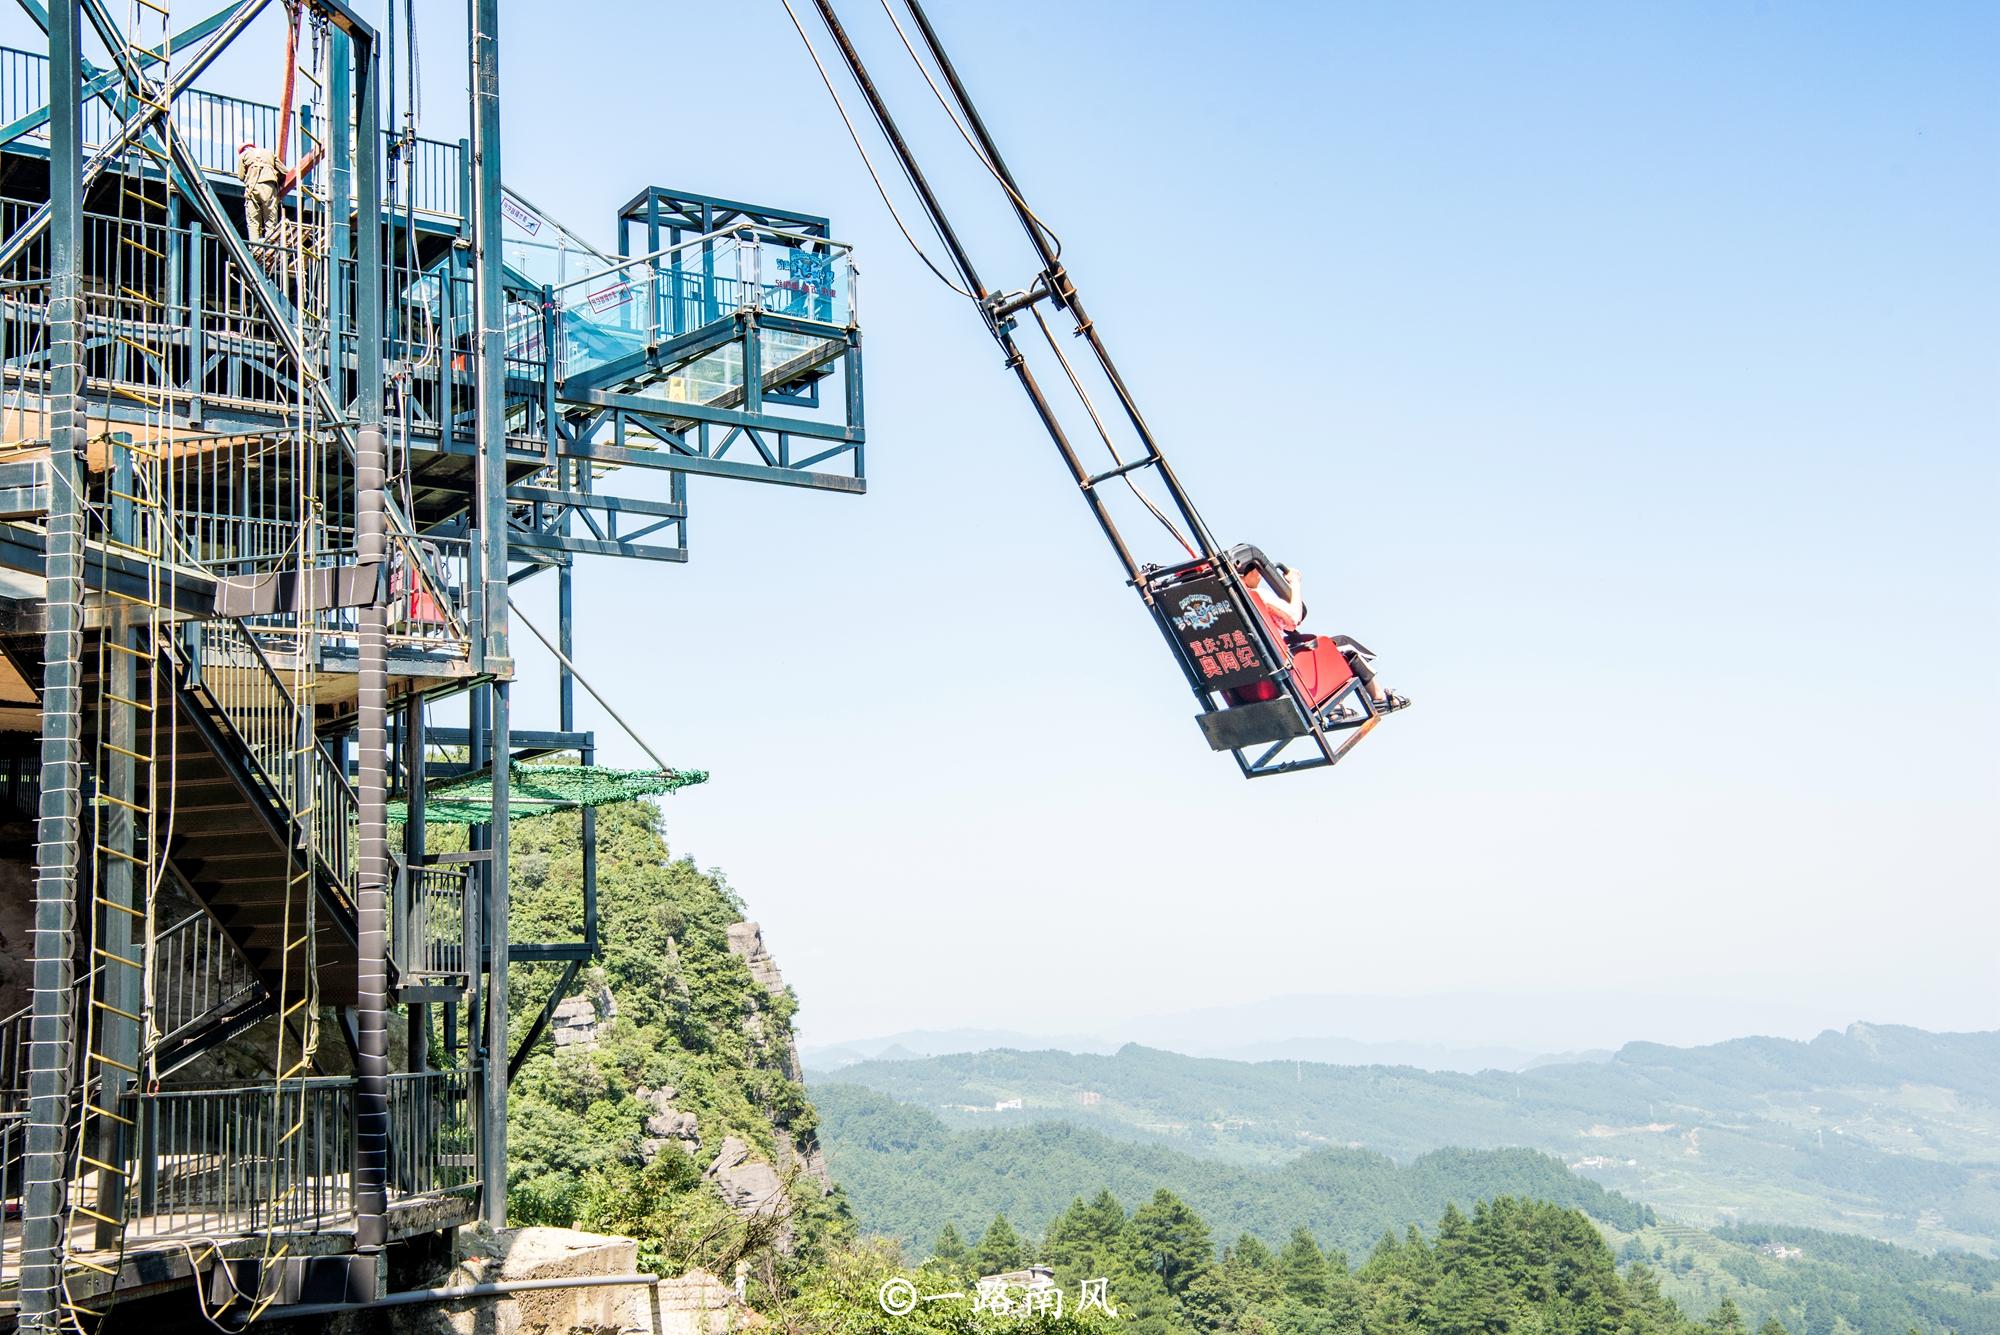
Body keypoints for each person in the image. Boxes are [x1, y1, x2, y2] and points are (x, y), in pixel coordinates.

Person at [1239, 558, 1409, 714]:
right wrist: (1295, 583)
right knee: (1344, 645)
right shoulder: (1257, 595)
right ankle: (1379, 698)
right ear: (1252, 571)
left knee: (1321, 647)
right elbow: (1294, 618)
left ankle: (1336, 708)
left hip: (1249, 683)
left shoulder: (1230, 608)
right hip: (1282, 669)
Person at [237, 139, 283, 245]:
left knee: (252, 220)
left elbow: (241, 176)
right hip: (268, 186)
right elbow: (283, 171)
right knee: (271, 217)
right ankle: (272, 243)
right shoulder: (269, 153)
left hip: (252, 188)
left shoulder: (243, 155)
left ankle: (254, 246)